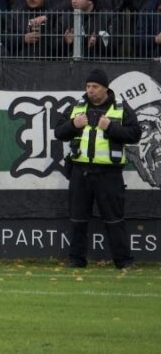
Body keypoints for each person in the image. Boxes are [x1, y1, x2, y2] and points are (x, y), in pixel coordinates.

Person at [53, 68, 138, 270]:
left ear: (105, 88)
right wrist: (74, 124)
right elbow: (59, 132)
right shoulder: (77, 107)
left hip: (109, 174)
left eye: (95, 87)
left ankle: (123, 261)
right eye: (88, 86)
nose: (90, 90)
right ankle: (76, 259)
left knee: (114, 219)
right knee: (77, 219)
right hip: (80, 172)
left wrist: (110, 127)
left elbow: (135, 134)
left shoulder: (121, 108)